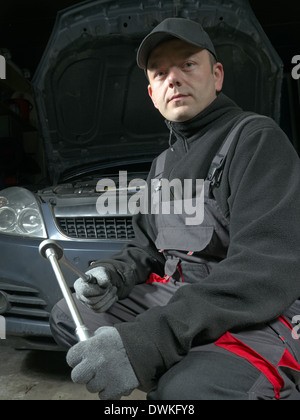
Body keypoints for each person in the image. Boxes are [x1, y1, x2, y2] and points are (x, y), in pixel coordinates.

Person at [50, 18, 300, 400]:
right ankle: (185, 368)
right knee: (67, 313)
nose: (174, 78)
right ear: (152, 93)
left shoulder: (256, 140)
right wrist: (111, 274)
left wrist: (150, 341)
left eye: (187, 64)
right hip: (184, 301)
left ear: (216, 76)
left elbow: (264, 268)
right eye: (161, 72)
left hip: (257, 308)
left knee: (185, 390)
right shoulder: (162, 164)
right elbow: (147, 249)